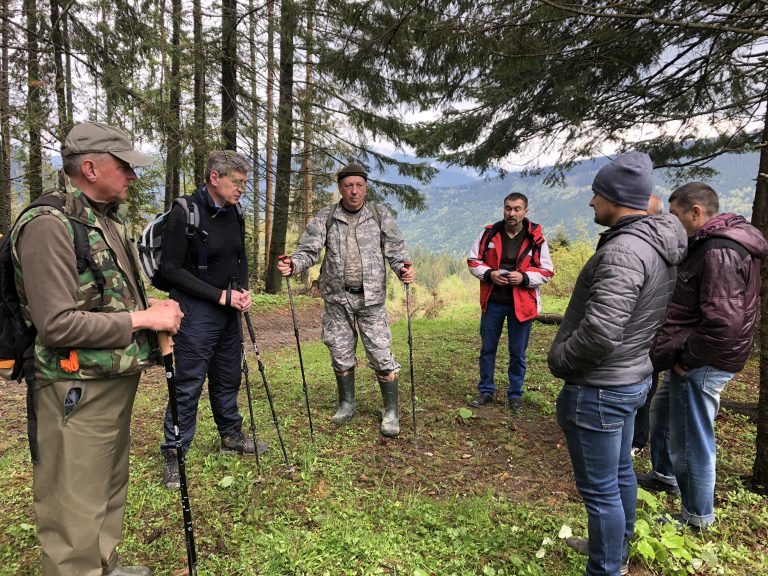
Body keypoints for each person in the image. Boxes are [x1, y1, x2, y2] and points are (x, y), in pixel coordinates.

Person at [10, 121, 184, 575]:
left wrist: (153, 312)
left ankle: (104, 564)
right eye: (124, 166)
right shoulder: (49, 226)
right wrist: (144, 319)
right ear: (90, 167)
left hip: (108, 377)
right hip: (72, 385)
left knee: (107, 484)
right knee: (73, 499)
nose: (132, 176)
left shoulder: (103, 219)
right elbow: (56, 324)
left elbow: (110, 296)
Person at [547, 152, 687, 576]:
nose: (591, 202)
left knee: (600, 489)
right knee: (621, 470)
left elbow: (601, 331)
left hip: (601, 387)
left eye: (597, 194)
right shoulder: (652, 242)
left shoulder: (625, 250)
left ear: (616, 198)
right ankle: (617, 544)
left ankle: (607, 568)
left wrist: (560, 360)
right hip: (631, 377)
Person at [637, 182, 768, 530]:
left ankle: (695, 518)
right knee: (662, 409)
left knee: (691, 438)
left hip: (703, 360)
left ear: (696, 212)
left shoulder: (718, 251)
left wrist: (688, 359)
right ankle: (664, 474)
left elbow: (723, 321)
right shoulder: (709, 245)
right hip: (695, 353)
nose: (672, 221)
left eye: (676, 214)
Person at [277, 162, 415, 437]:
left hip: (371, 300)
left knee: (381, 353)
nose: (354, 191)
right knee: (340, 353)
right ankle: (347, 403)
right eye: (348, 186)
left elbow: (396, 250)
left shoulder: (379, 215)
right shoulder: (326, 217)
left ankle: (390, 410)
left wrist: (403, 269)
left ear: (365, 188)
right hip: (337, 300)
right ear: (340, 188)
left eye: (359, 185)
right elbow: (309, 250)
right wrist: (293, 265)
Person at [158, 150, 264, 491]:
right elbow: (170, 269)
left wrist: (242, 290)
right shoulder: (184, 212)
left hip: (228, 310)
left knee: (228, 376)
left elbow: (239, 257)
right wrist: (220, 296)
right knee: (188, 383)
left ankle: (231, 434)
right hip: (193, 311)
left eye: (245, 184)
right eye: (237, 183)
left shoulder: (234, 212)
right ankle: (174, 451)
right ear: (214, 178)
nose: (242, 190)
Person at [466, 192, 554, 412]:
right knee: (487, 349)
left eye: (517, 209)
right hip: (493, 302)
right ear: (503, 209)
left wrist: (524, 278)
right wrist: (489, 274)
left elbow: (547, 270)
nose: (511, 213)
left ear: (525, 211)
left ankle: (515, 395)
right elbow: (473, 260)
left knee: (517, 353)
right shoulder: (489, 233)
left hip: (522, 305)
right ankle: (486, 391)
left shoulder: (536, 238)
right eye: (508, 208)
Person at [630, 194, 664, 457]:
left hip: (652, 330)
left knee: (646, 383)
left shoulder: (663, 247)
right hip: (632, 328)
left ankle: (637, 440)